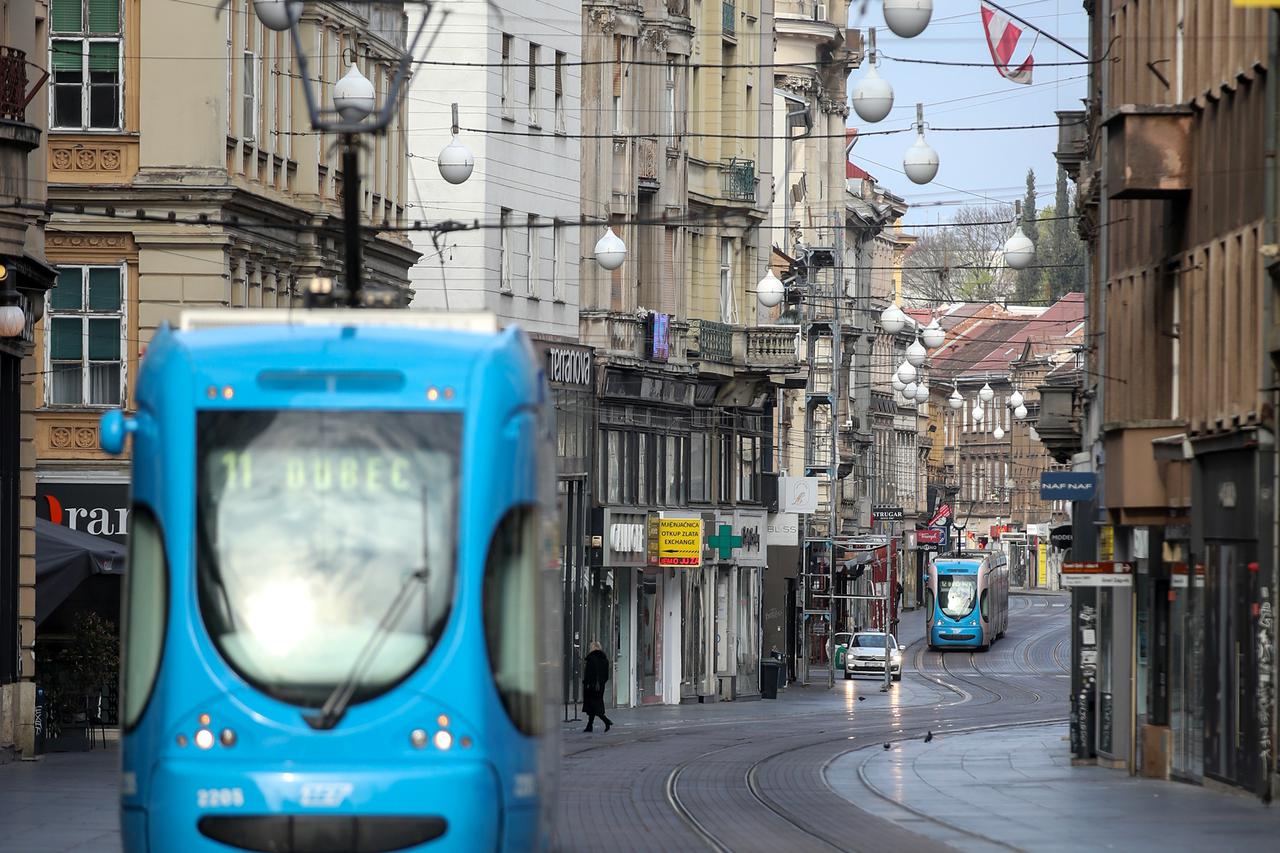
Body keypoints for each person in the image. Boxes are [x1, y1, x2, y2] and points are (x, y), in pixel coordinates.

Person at [582, 641, 612, 733]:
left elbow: (588, 674)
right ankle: (589, 725)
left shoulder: (591, 659)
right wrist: (601, 683)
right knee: (593, 706)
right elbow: (606, 676)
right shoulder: (604, 660)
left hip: (591, 687)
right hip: (600, 687)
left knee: (594, 706)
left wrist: (586, 683)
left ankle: (606, 721)